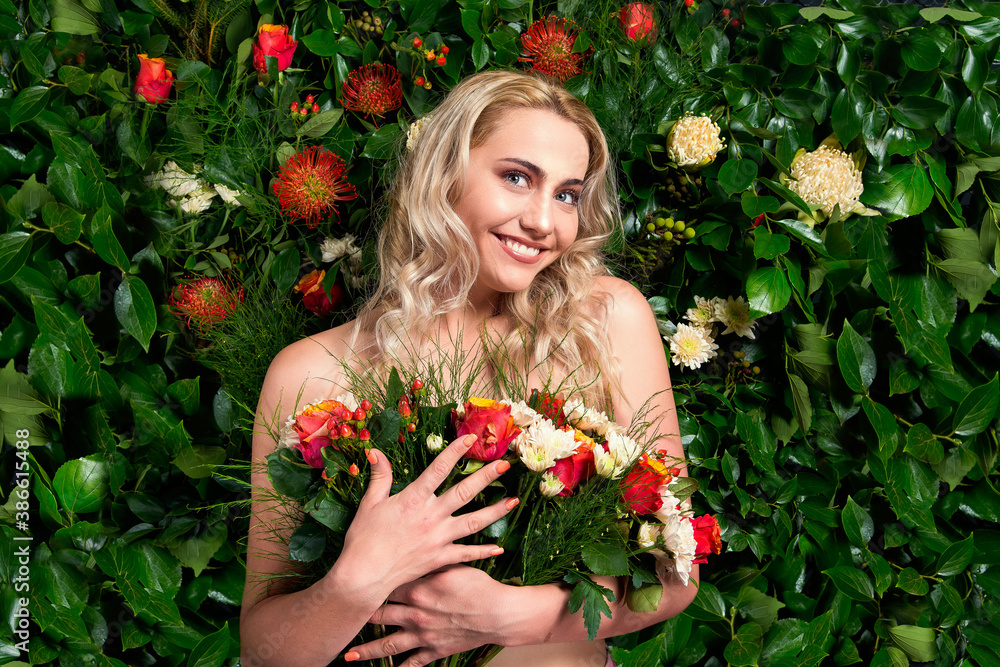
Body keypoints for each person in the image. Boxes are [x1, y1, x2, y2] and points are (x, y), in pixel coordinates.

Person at [240, 69, 697, 667]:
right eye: (516, 178)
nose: (543, 221)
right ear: (443, 176)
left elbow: (676, 571)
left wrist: (510, 618)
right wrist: (354, 582)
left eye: (566, 194)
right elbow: (264, 651)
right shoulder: (312, 375)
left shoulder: (607, 323)